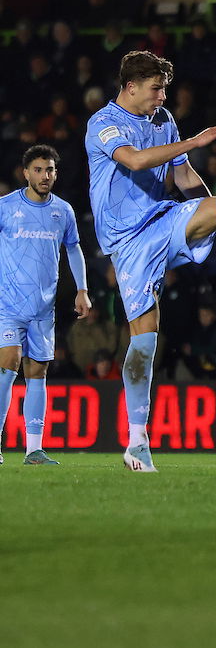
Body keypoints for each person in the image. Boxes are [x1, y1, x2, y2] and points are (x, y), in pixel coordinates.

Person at [85, 50, 216, 472]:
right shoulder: (103, 123)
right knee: (145, 339)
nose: (162, 95)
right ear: (131, 87)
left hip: (161, 218)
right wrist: (196, 140)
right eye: (155, 87)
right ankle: (136, 442)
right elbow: (132, 160)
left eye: (164, 87)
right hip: (126, 241)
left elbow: (184, 178)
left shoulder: (163, 119)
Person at [0, 144, 91, 465]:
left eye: (49, 170)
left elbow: (74, 249)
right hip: (7, 306)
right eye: (38, 170)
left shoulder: (63, 211)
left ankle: (33, 450)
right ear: (25, 173)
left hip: (43, 309)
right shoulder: (6, 207)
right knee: (7, 367)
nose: (44, 175)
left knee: (37, 372)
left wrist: (82, 290)